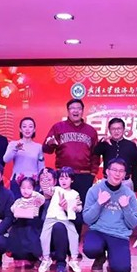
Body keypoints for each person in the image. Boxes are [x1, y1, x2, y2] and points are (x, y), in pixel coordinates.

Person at [43, 99, 99, 235]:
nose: (75, 111)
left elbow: (96, 155)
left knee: (77, 208)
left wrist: (92, 174)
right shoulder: (58, 127)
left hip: (84, 175)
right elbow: (46, 149)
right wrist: (50, 144)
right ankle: (60, 240)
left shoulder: (91, 131)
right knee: (60, 207)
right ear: (68, 111)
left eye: (78, 108)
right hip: (63, 175)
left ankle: (75, 239)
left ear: (82, 111)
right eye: (72, 108)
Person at [82, 158, 137, 272]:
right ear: (107, 171)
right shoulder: (94, 190)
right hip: (98, 231)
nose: (117, 174)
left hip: (119, 234)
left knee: (122, 270)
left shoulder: (129, 194)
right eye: (114, 170)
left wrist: (126, 207)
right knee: (90, 249)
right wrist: (99, 203)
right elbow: (87, 219)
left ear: (124, 174)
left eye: (121, 171)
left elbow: (133, 224)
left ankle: (112, 258)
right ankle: (100, 256)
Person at [39, 168, 82, 272]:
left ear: (72, 180)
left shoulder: (75, 193)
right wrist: (45, 177)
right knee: (43, 237)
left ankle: (73, 260)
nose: (63, 181)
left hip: (66, 219)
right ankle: (46, 259)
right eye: (61, 178)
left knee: (74, 236)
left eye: (66, 178)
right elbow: (46, 189)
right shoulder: (56, 189)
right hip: (51, 218)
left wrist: (75, 208)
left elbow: (79, 207)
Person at [7, 177, 45, 269]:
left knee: (32, 240)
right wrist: (18, 208)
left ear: (33, 188)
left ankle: (35, 258)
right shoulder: (18, 201)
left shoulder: (36, 199)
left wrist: (33, 193)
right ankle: (19, 257)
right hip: (20, 222)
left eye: (29, 188)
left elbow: (42, 199)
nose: (25, 190)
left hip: (33, 223)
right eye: (23, 188)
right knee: (17, 238)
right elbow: (12, 209)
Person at [3, 117, 45, 199]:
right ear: (20, 129)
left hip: (33, 182)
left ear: (34, 130)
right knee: (17, 205)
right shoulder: (13, 144)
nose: (27, 129)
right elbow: (6, 159)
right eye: (24, 126)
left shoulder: (38, 147)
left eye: (30, 126)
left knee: (33, 206)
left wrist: (42, 182)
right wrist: (15, 149)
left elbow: (41, 166)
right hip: (17, 181)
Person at [94, 118, 137, 191]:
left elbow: (135, 166)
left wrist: (135, 187)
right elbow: (95, 152)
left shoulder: (131, 145)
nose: (116, 131)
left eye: (119, 128)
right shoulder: (105, 143)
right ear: (109, 130)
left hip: (125, 182)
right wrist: (102, 142)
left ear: (124, 129)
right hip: (107, 181)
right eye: (113, 129)